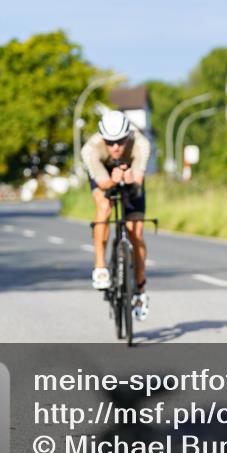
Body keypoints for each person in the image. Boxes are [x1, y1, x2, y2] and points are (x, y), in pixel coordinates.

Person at [81, 110, 152, 321]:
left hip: (130, 177)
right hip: (104, 176)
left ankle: (140, 289)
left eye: (120, 141)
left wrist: (129, 179)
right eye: (110, 142)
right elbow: (103, 184)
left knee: (135, 231)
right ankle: (100, 266)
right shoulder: (91, 149)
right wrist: (113, 180)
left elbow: (138, 180)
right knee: (104, 207)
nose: (115, 147)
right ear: (102, 138)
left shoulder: (141, 144)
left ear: (128, 136)